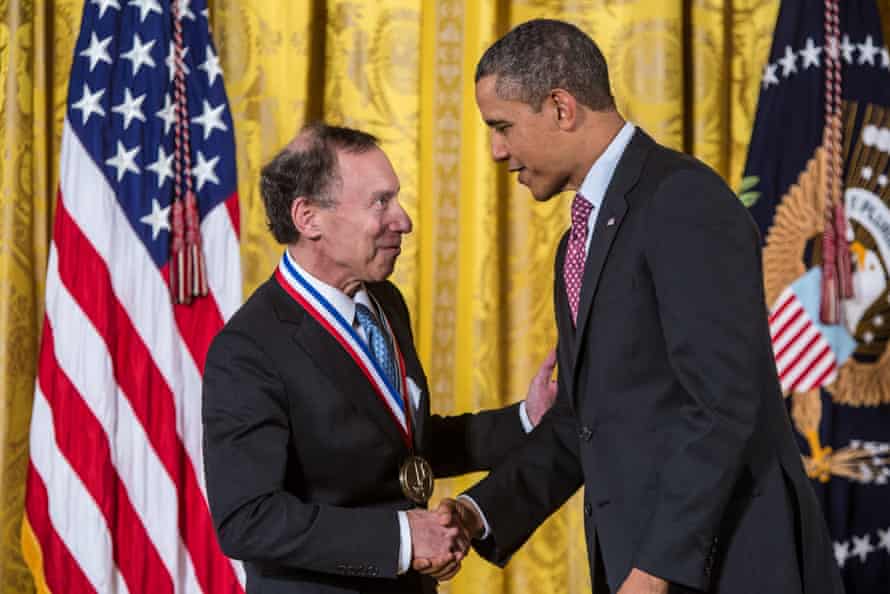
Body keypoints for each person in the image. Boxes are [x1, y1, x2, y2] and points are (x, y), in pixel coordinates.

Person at [437, 18, 845, 594]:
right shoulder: (581, 239)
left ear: (560, 107)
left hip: (728, 565)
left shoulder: (681, 199)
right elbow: (584, 420)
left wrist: (656, 571)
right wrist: (479, 513)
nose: (497, 151)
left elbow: (723, 404)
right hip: (648, 564)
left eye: (502, 127)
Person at [201, 122, 557, 594]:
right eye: (380, 202)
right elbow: (248, 518)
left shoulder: (384, 301)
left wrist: (525, 419)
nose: (403, 220)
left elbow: (397, 445)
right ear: (309, 218)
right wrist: (403, 538)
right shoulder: (248, 349)